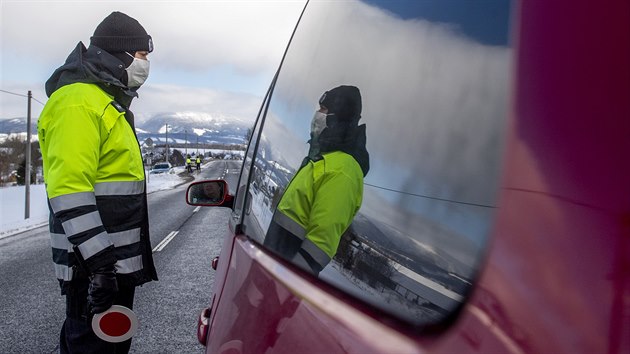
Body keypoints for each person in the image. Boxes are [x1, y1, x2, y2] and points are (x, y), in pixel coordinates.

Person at [37, 11, 157, 353]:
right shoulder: (78, 103)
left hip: (107, 267)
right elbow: (70, 192)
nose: (145, 64)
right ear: (119, 54)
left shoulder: (106, 103)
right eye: (142, 55)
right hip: (93, 269)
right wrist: (100, 265)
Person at [264, 85, 369, 276]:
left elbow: (320, 244)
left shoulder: (344, 169)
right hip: (272, 265)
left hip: (281, 278)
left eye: (324, 109)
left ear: (337, 118)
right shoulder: (323, 159)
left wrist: (286, 283)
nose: (317, 114)